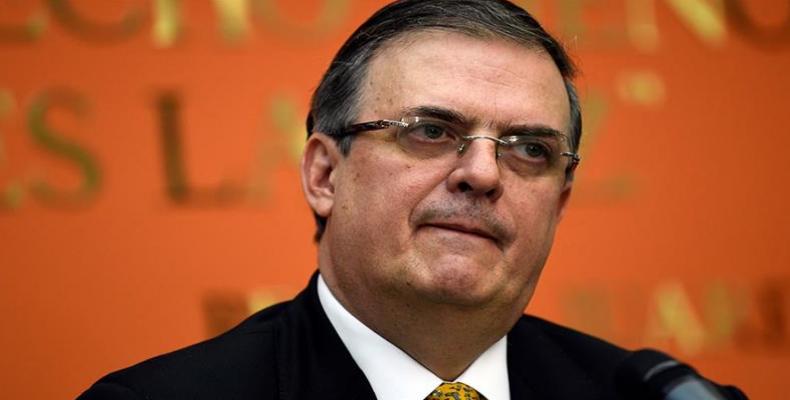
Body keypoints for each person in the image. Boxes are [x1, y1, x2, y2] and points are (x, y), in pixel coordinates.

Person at [78, 1, 746, 399]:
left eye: (529, 149)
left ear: (560, 202)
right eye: (430, 131)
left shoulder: (656, 395)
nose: (483, 174)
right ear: (324, 174)